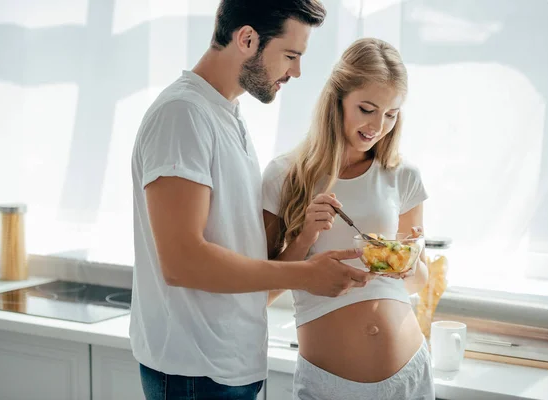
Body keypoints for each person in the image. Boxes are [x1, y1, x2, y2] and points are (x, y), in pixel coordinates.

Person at [130, 1, 377, 399]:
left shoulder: (227, 116)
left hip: (228, 368)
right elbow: (182, 262)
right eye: (291, 55)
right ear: (247, 39)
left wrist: (301, 245)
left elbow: (244, 272)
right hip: (195, 373)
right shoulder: (182, 115)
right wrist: (306, 275)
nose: (296, 71)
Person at [262, 38, 435, 399]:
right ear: (336, 100)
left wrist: (413, 258)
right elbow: (259, 292)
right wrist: (305, 236)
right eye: (367, 109)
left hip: (408, 377)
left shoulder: (403, 176)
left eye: (391, 114)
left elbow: (415, 284)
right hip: (329, 385)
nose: (378, 126)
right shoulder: (285, 175)